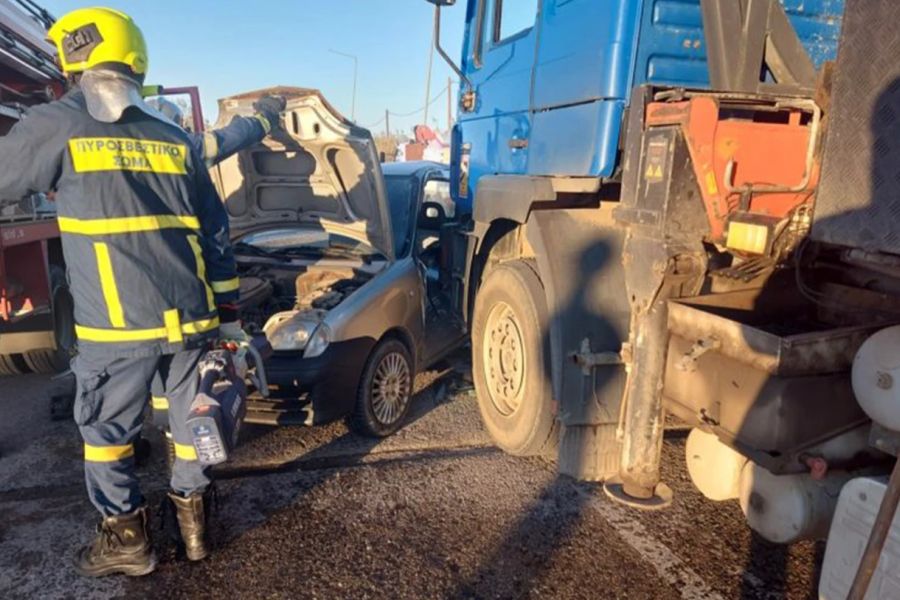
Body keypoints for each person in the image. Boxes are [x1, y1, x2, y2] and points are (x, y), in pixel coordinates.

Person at [0, 8, 257, 576]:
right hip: (192, 319)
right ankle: (194, 531)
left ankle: (127, 544)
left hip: (115, 331)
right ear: (136, 63)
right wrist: (229, 317)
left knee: (107, 434)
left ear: (77, 59)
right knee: (191, 428)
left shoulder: (59, 123)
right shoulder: (174, 137)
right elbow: (216, 235)